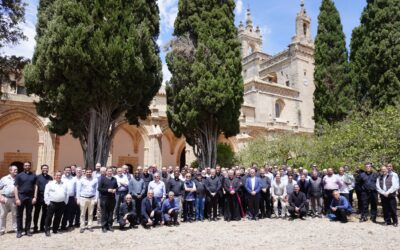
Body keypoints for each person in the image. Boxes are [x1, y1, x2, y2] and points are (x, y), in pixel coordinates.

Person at [14, 161, 37, 238]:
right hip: (21, 196)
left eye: (28, 165)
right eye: (25, 165)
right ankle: (19, 231)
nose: (27, 166)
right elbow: (15, 187)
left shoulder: (33, 175)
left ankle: (27, 230)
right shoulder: (19, 175)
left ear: (30, 166)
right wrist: (17, 198)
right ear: (23, 166)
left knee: (29, 215)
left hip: (30, 197)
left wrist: (35, 197)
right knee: (19, 215)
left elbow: (36, 187)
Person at [44, 171, 68, 236]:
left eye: (59, 175)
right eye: (57, 175)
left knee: (58, 217)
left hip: (61, 203)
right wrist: (47, 202)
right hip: (52, 203)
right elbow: (46, 193)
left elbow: (66, 194)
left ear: (61, 176)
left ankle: (55, 229)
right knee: (49, 217)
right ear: (54, 176)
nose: (58, 176)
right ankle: (47, 230)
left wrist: (65, 202)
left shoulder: (64, 184)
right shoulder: (50, 184)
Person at [77, 168, 98, 233]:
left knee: (91, 213)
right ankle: (82, 227)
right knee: (82, 214)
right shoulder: (81, 180)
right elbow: (78, 190)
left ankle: (89, 226)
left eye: (90, 172)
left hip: (92, 198)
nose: (88, 173)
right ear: (85, 173)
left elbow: (96, 190)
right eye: (87, 172)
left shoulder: (95, 180)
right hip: (83, 198)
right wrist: (78, 199)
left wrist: (96, 198)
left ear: (91, 173)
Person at [33, 164, 53, 233]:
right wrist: (35, 197)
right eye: (44, 168)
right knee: (36, 213)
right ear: (41, 169)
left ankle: (42, 227)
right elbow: (36, 187)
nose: (45, 169)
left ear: (48, 169)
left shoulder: (50, 178)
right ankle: (35, 227)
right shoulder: (37, 177)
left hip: (46, 198)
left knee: (45, 213)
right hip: (39, 197)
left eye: (46, 168)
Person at [97, 167, 118, 233]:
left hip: (112, 198)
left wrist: (115, 189)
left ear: (112, 172)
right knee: (104, 213)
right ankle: (104, 226)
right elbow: (99, 189)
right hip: (104, 198)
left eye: (111, 171)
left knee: (111, 213)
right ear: (106, 172)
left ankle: (109, 225)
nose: (109, 172)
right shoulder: (102, 179)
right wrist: (107, 190)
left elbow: (116, 187)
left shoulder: (114, 179)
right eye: (108, 171)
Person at [0, 165, 18, 235]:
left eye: (17, 169)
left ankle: (15, 228)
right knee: (2, 214)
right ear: (10, 171)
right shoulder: (4, 179)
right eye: (15, 170)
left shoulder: (18, 178)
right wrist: (0, 197)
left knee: (15, 214)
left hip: (14, 198)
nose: (16, 171)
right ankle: (1, 230)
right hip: (4, 198)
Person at [60, 166, 77, 230]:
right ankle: (62, 225)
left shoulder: (73, 179)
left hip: (71, 198)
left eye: (69, 170)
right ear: (64, 171)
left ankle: (70, 224)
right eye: (66, 170)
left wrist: (76, 197)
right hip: (63, 198)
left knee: (71, 212)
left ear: (71, 171)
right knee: (62, 212)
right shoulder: (61, 178)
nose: (68, 171)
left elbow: (75, 189)